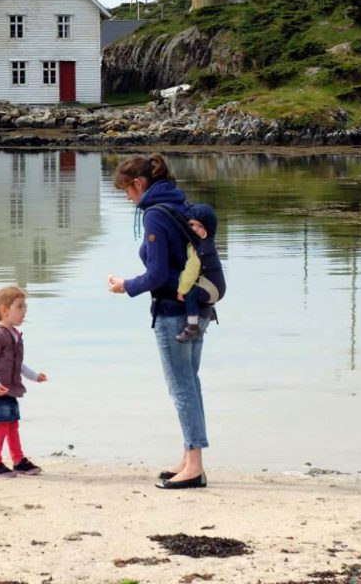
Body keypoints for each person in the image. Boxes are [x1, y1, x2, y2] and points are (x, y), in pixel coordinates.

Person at [107, 154, 223, 490]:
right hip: (199, 309)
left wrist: (125, 286)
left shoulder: (154, 216)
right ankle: (189, 458)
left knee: (182, 387)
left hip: (173, 313)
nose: (128, 199)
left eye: (126, 192)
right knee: (191, 383)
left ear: (138, 185)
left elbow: (157, 275)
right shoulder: (180, 202)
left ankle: (195, 467)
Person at [0, 285, 48, 478]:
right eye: (19, 307)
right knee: (2, 426)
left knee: (12, 424)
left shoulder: (14, 335)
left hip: (8, 389)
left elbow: (18, 364)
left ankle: (18, 461)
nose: (24, 311)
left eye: (25, 307)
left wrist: (34, 376)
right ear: (4, 310)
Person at [175, 203, 226, 343]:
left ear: (208, 229)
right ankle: (210, 312)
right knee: (197, 290)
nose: (195, 229)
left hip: (213, 289)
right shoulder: (205, 243)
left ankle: (192, 326)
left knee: (190, 296)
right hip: (215, 287)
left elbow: (191, 271)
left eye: (200, 226)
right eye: (191, 225)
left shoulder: (201, 248)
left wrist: (182, 290)